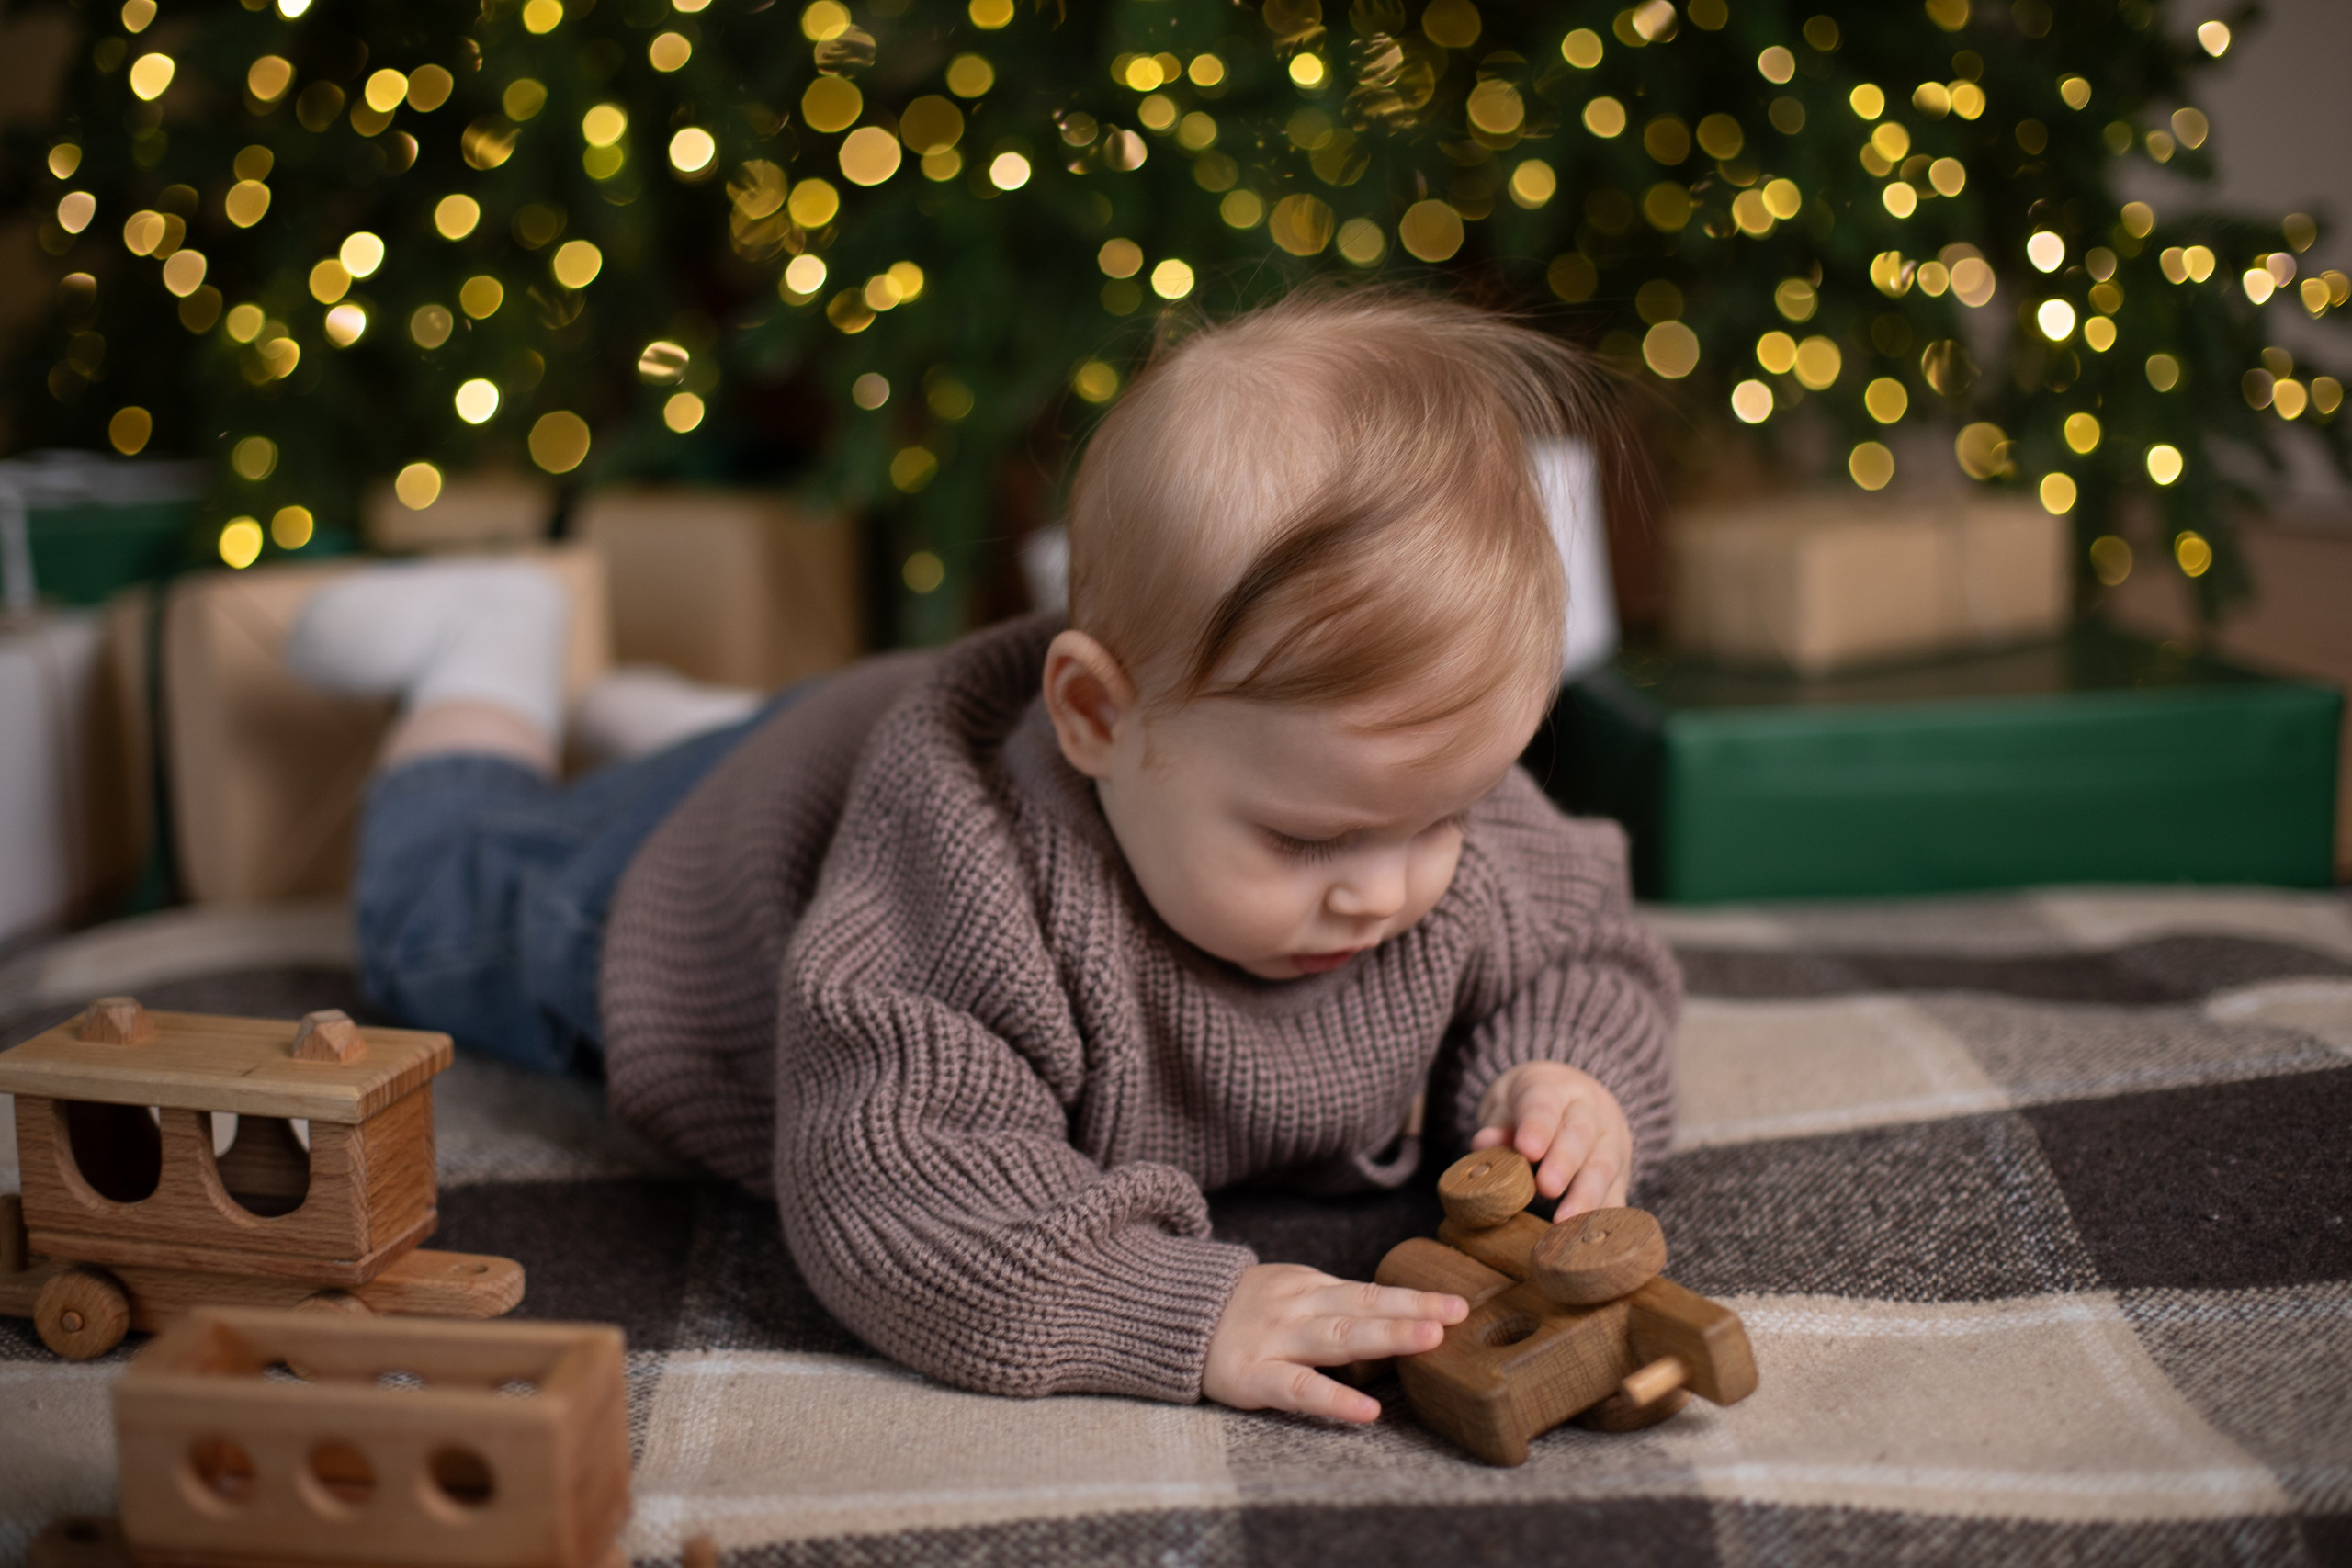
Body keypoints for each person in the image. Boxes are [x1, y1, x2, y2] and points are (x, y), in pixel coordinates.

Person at [286, 287, 1679, 1427]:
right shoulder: (969, 903)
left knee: (786, 743)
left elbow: (1591, 945)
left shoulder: (1406, 779)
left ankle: (703, 724)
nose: (1391, 884)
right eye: (1307, 837)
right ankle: (489, 658)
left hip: (853, 740)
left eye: (1442, 815)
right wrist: (1170, 1312)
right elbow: (893, 1189)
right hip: (687, 890)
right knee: (427, 920)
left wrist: (1567, 1078)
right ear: (1095, 717)